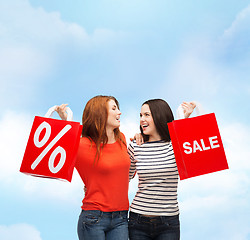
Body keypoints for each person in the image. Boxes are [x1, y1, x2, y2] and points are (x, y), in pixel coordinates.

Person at [56, 95, 130, 240]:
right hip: (94, 218)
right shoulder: (82, 145)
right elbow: (58, 149)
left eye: (118, 108)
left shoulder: (122, 139)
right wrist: (65, 121)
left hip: (121, 217)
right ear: (100, 113)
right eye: (114, 108)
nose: (119, 112)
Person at [128, 99, 196, 240]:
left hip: (168, 222)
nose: (142, 119)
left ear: (159, 116)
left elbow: (195, 157)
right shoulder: (136, 145)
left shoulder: (176, 145)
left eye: (147, 115)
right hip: (138, 220)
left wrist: (184, 119)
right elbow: (124, 177)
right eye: (140, 115)